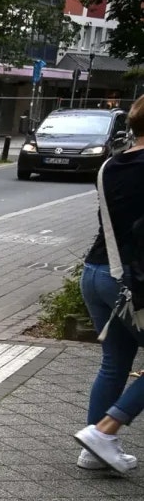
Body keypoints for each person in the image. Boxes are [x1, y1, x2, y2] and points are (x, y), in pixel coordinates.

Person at [74, 93, 144, 473]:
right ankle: (104, 431)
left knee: (115, 363)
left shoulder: (111, 165)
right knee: (116, 363)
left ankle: (95, 450)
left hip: (97, 272)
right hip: (132, 283)